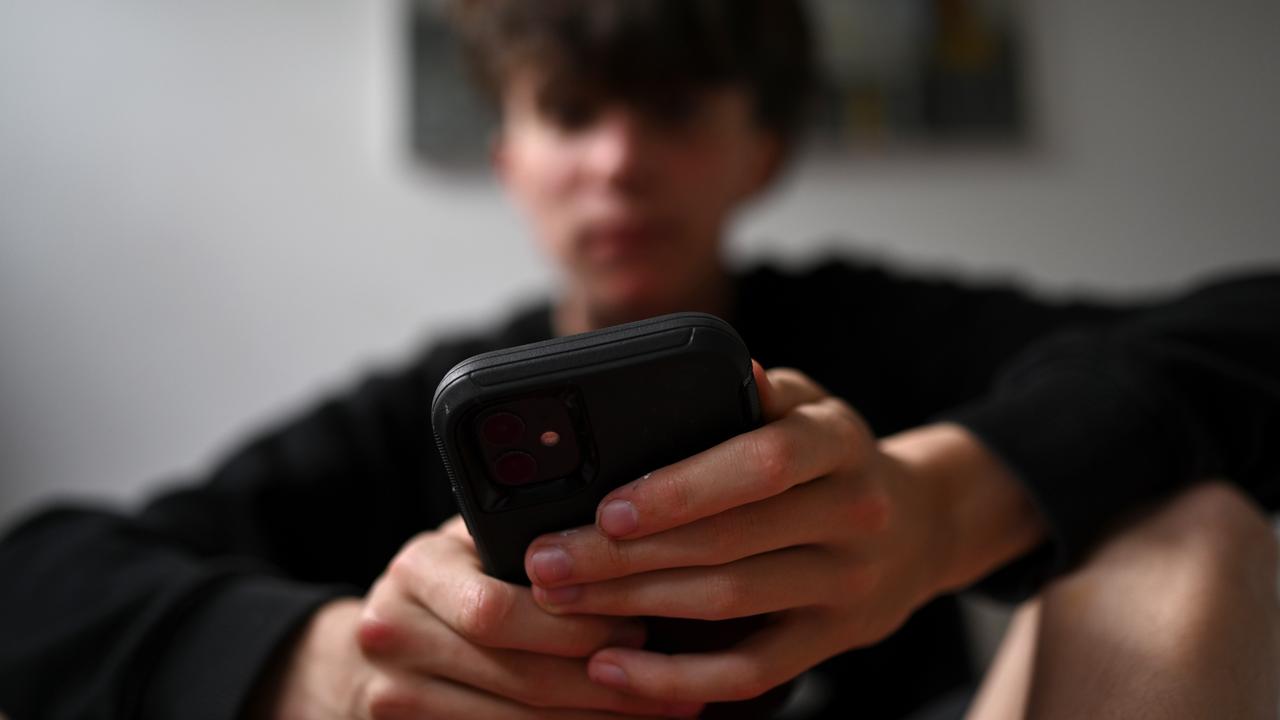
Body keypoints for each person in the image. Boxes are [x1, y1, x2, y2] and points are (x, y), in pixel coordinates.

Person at [1, 1, 1278, 718]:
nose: (615, 162)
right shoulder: (421, 413)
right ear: (507, 159)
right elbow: (36, 584)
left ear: (757, 154)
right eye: (567, 114)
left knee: (1193, 523)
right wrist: (317, 669)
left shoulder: (878, 329)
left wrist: (946, 505)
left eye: (669, 111)